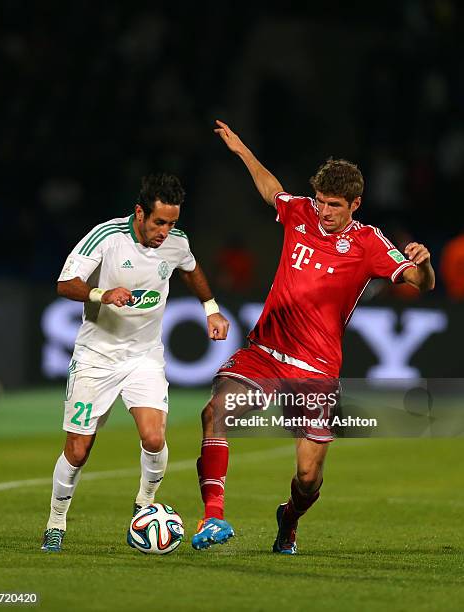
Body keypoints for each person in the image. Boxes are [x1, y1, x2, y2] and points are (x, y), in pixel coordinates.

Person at [191, 120, 435, 554]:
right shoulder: (301, 213)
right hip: (265, 352)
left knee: (308, 476)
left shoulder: (369, 244)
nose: (323, 211)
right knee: (216, 412)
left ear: (355, 204)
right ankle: (213, 517)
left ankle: (289, 519)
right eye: (321, 201)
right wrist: (244, 151)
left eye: (334, 205)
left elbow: (421, 281)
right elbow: (271, 190)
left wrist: (425, 262)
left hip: (316, 368)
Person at [41, 173, 229, 552]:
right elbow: (65, 284)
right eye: (159, 222)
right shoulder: (107, 237)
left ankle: (144, 505)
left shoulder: (176, 244)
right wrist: (101, 292)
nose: (165, 231)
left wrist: (211, 309)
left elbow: (191, 269)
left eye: (172, 223)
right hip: (96, 357)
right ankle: (56, 522)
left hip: (144, 356)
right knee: (77, 451)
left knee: (155, 437)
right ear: (140, 212)